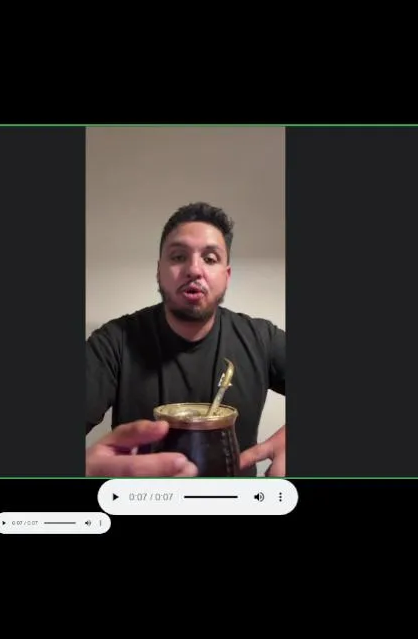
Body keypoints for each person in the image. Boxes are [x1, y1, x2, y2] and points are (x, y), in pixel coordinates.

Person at [85, 202, 287, 477]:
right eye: (178, 256)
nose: (194, 269)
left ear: (226, 276)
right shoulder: (114, 342)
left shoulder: (261, 339)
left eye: (210, 259)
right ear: (159, 271)